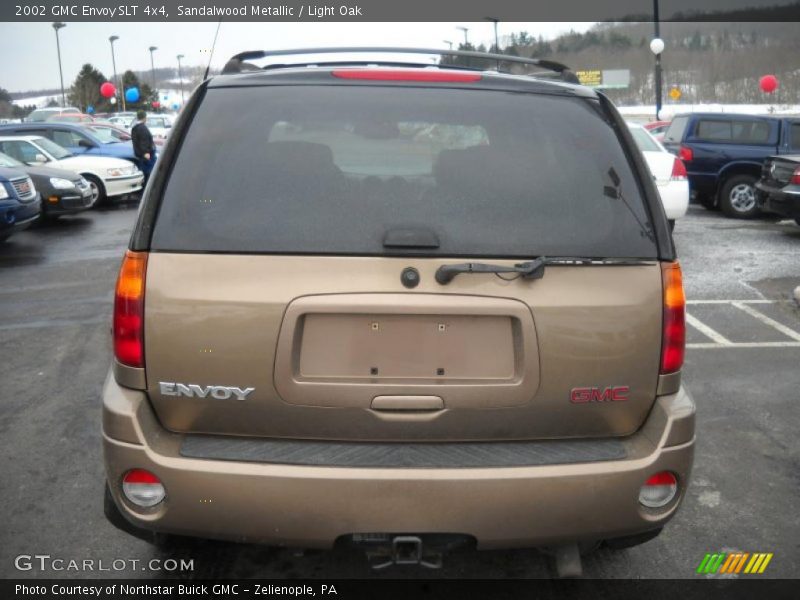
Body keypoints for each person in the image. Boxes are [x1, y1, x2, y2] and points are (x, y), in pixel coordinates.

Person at [131, 110, 156, 188]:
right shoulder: (142, 128)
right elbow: (144, 141)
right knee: (150, 174)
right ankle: (148, 189)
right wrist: (146, 152)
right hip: (147, 156)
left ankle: (145, 188)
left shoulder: (135, 128)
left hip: (140, 154)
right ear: (144, 118)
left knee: (145, 173)